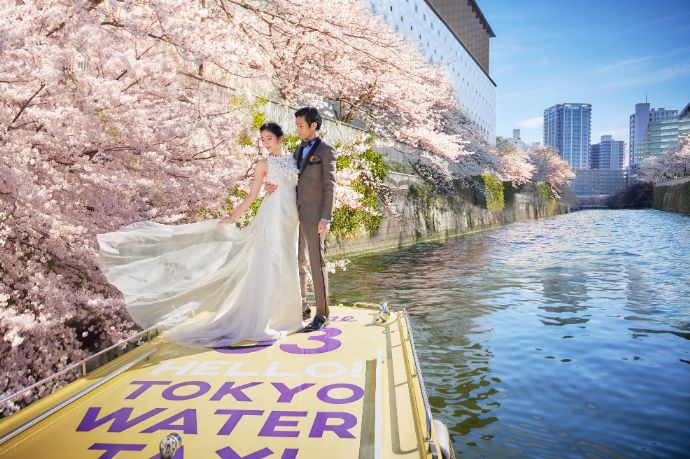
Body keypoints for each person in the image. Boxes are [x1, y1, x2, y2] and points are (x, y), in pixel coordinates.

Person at [97, 122, 303, 348]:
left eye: (269, 139)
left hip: (290, 217)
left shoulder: (295, 159)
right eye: (262, 140)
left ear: (281, 138)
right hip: (272, 215)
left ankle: (287, 317)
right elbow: (252, 196)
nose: (265, 144)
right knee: (271, 263)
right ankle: (267, 319)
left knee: (288, 261)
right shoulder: (263, 164)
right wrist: (232, 218)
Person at [266, 107, 336, 332]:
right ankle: (302, 305)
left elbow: (329, 185)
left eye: (300, 126)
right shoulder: (298, 148)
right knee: (297, 261)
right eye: (296, 125)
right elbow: (290, 176)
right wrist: (273, 184)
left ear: (313, 125)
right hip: (293, 211)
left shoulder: (326, 150)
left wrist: (326, 217)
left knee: (316, 261)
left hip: (315, 214)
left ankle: (322, 313)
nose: (297, 129)